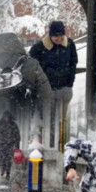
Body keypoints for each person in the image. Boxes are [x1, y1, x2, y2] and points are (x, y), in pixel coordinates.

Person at [0, 32, 51, 147]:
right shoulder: (30, 63)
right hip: (24, 117)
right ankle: (20, 154)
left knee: (2, 148)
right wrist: (37, 105)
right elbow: (45, 90)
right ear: (17, 44)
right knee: (23, 145)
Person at [29, 21, 78, 150]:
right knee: (45, 118)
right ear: (50, 35)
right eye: (56, 36)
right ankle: (46, 144)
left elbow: (73, 64)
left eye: (61, 36)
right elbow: (32, 68)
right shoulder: (38, 48)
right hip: (46, 90)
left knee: (61, 120)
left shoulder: (70, 45)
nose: (59, 39)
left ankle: (58, 145)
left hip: (63, 89)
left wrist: (69, 83)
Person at [0, 110, 20, 179]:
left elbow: (17, 136)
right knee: (1, 158)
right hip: (1, 144)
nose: (6, 119)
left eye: (8, 117)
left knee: (8, 159)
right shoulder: (0, 124)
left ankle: (8, 172)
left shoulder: (13, 125)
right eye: (5, 117)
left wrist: (17, 146)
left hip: (10, 145)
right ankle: (3, 169)